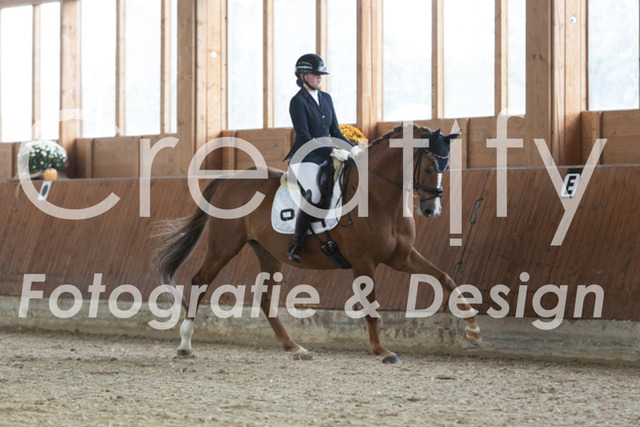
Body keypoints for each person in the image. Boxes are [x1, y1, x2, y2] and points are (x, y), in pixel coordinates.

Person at [284, 53, 360, 264]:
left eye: (321, 74)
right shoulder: (298, 102)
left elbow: (335, 131)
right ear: (302, 76)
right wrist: (333, 151)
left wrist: (353, 148)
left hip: (326, 155)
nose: (320, 77)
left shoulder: (326, 98)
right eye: (315, 74)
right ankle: (296, 243)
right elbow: (305, 137)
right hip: (306, 157)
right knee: (315, 193)